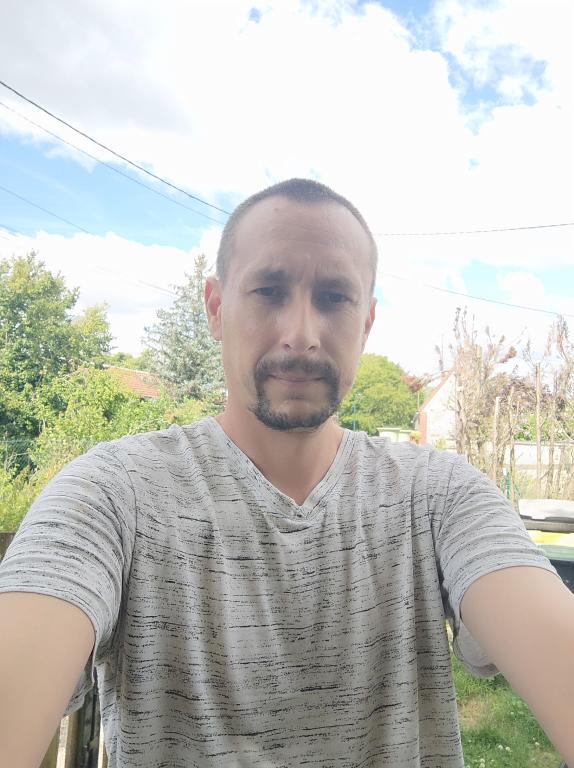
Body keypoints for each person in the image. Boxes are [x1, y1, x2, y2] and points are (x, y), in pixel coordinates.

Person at [1, 178, 573, 768]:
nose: (301, 335)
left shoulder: (439, 495)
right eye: (269, 291)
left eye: (333, 297)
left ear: (367, 321)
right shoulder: (113, 494)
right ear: (216, 308)